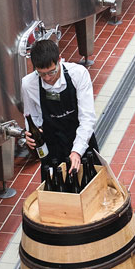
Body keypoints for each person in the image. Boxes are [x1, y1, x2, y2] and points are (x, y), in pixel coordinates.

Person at [21, 39, 97, 173]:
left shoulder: (78, 74)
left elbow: (87, 118)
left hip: (81, 139)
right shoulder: (29, 84)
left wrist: (77, 151)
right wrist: (30, 134)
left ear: (59, 60)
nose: (47, 78)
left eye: (51, 72)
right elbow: (32, 116)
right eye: (41, 74)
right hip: (52, 145)